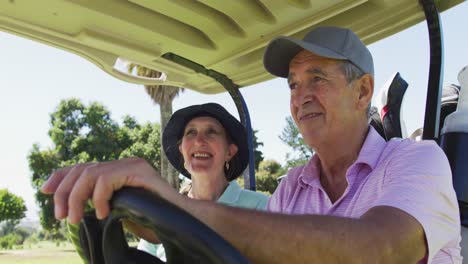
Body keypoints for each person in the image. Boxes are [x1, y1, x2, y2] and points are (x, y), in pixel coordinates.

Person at [42, 26, 461, 263]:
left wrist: (179, 208)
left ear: (363, 90)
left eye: (317, 78)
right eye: (294, 84)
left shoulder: (418, 161)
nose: (300, 97)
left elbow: (380, 249)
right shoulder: (292, 188)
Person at [136, 103, 268, 260]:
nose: (198, 141)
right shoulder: (163, 212)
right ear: (181, 150)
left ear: (230, 152)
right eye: (191, 132)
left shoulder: (262, 208)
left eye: (211, 132)